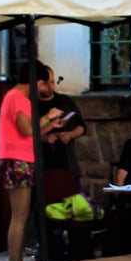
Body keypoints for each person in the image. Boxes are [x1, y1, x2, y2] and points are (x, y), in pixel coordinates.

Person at [0, 63, 65, 261]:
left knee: (22, 215)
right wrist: (48, 117)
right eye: (44, 83)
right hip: (18, 161)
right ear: (37, 81)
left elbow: (29, 132)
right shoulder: (18, 98)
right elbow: (26, 129)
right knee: (19, 216)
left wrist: (49, 126)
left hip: (17, 160)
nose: (45, 88)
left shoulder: (14, 97)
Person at [38, 73, 86, 205]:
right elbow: (28, 132)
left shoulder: (65, 101)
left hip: (67, 162)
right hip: (43, 164)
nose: (50, 87)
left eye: (52, 82)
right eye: (46, 83)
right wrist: (45, 138)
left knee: (71, 205)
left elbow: (81, 126)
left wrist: (70, 134)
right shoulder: (33, 104)